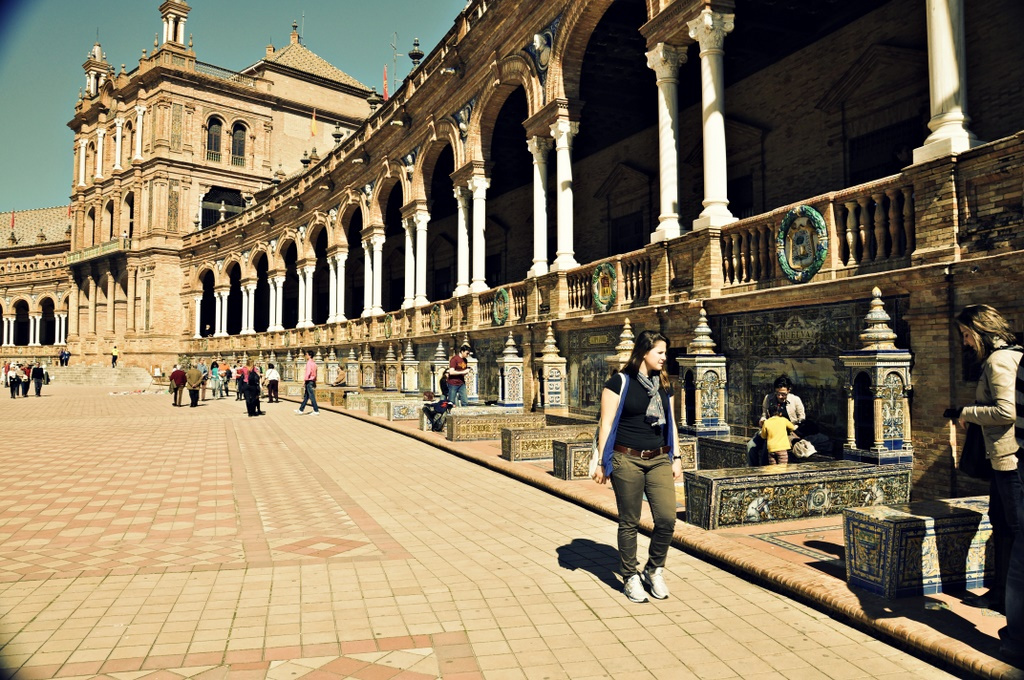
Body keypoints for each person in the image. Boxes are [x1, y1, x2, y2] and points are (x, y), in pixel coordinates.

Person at [593, 330, 682, 603]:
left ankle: (653, 569)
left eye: (665, 353)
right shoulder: (619, 382)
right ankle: (630, 575)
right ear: (644, 352)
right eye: (660, 352)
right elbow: (605, 424)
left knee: (667, 518)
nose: (664, 358)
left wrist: (676, 457)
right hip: (626, 458)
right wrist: (601, 461)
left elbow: (672, 423)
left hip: (658, 458)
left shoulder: (664, 384)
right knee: (629, 521)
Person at [951, 304, 1023, 625]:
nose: (966, 342)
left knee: (1014, 528)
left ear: (981, 330)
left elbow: (1007, 411)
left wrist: (967, 413)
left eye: (967, 335)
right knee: (1002, 523)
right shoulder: (1011, 356)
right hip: (1003, 458)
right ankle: (1001, 595)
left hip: (1010, 459)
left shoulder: (999, 361)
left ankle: (1011, 603)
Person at [747, 375, 806, 466]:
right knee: (751, 445)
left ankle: (764, 471)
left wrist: (794, 428)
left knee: (768, 445)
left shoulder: (795, 400)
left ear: (788, 390)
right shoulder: (768, 398)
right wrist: (762, 421)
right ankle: (753, 469)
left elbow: (802, 418)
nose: (780, 396)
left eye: (783, 394)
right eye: (777, 393)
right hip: (770, 430)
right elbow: (764, 415)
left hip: (787, 432)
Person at [294, 350, 321, 415]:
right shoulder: (314, 363)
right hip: (312, 380)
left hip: (309, 381)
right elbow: (315, 372)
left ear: (309, 355)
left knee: (311, 396)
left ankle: (316, 410)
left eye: (306, 354)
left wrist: (304, 381)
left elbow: (308, 372)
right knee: (306, 396)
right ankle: (301, 410)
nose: (305, 356)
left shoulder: (309, 363)